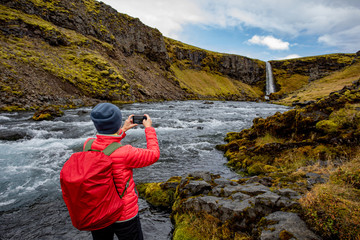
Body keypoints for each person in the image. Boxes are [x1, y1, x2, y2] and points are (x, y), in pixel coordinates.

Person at [87, 102, 160, 240]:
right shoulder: (125, 152)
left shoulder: (88, 144)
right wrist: (149, 129)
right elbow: (154, 154)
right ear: (116, 123)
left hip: (98, 213)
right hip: (124, 214)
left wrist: (123, 130)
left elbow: (106, 143)